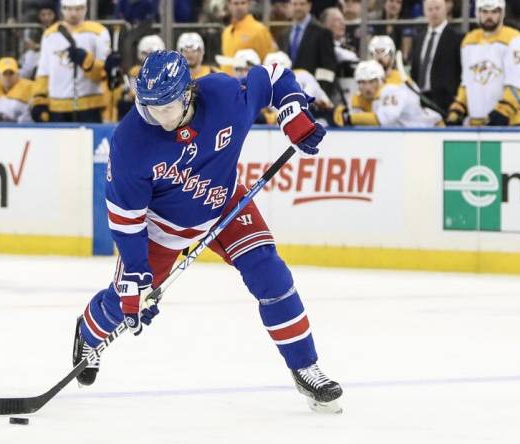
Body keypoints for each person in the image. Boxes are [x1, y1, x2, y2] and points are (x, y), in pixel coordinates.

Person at [71, 50, 343, 414]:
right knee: (123, 305)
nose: (157, 117)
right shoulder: (131, 141)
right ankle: (87, 334)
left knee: (272, 276)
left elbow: (275, 74)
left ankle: (305, 367)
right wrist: (136, 276)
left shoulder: (225, 96)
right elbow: (127, 218)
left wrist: (292, 111)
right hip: (161, 229)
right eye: (150, 108)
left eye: (166, 108)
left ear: (188, 95)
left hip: (226, 205)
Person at [447, 0, 520, 126]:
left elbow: (519, 85)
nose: (489, 16)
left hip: (511, 123)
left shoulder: (514, 39)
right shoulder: (468, 41)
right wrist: (458, 107)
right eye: (485, 11)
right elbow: (467, 83)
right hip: (477, 124)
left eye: (494, 12)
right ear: (477, 13)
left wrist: (503, 111)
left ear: (502, 13)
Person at [30, 0, 110, 122]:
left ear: (85, 9)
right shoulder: (50, 34)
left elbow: (105, 74)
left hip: (89, 104)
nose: (73, 14)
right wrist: (39, 99)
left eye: (78, 9)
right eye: (68, 9)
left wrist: (88, 62)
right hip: (57, 104)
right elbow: (44, 71)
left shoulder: (98, 32)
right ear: (62, 9)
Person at [332, 59, 443, 126]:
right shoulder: (362, 97)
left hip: (432, 129)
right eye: (362, 82)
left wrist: (348, 118)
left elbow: (383, 119)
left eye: (371, 81)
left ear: (381, 80)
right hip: (410, 135)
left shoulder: (391, 91)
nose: (367, 87)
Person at [410, 0, 463, 113]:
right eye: (430, 9)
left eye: (437, 8)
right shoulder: (418, 38)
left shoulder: (457, 38)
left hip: (446, 102)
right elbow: (415, 70)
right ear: (424, 12)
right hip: (420, 100)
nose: (434, 13)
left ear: (445, 9)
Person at [281, 0, 338, 97]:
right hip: (289, 95)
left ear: (309, 6)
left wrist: (320, 94)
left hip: (313, 95)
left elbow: (328, 67)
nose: (298, 8)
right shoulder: (284, 34)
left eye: (302, 4)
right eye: (295, 4)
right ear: (289, 6)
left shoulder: (322, 32)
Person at [220, 0, 278, 75]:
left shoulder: (259, 30)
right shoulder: (227, 32)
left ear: (249, 4)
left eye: (243, 3)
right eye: (236, 3)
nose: (239, 7)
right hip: (227, 81)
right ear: (229, 5)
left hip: (249, 81)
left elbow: (269, 59)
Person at [21, 3, 58, 78]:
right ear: (38, 16)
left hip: (55, 56)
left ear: (54, 15)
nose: (46, 18)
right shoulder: (32, 29)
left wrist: (37, 47)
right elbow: (29, 44)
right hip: (36, 57)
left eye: (49, 14)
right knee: (30, 55)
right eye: (43, 15)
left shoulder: (60, 29)